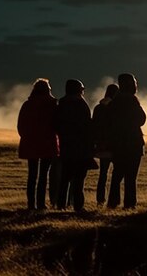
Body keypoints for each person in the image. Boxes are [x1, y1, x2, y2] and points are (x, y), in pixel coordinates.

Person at [17, 78, 59, 210]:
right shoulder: (53, 105)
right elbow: (57, 125)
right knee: (43, 175)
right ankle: (41, 204)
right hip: (47, 144)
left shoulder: (27, 105)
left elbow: (21, 125)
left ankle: (31, 204)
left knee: (32, 175)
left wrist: (27, 138)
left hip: (31, 144)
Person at [54, 79, 94, 212]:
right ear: (79, 90)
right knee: (79, 179)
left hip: (66, 146)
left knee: (65, 177)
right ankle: (78, 205)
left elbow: (57, 125)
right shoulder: (81, 105)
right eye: (82, 89)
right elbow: (87, 127)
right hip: (80, 147)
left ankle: (61, 204)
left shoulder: (62, 104)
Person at [108, 73, 146, 209]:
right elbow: (141, 119)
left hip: (118, 143)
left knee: (117, 174)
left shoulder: (115, 101)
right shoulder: (132, 100)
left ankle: (113, 202)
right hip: (133, 142)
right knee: (131, 176)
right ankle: (129, 203)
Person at [92, 83, 119, 207]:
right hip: (115, 144)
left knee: (103, 174)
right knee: (116, 174)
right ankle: (113, 200)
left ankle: (100, 199)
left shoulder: (99, 108)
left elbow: (94, 126)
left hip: (102, 144)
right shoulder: (117, 108)